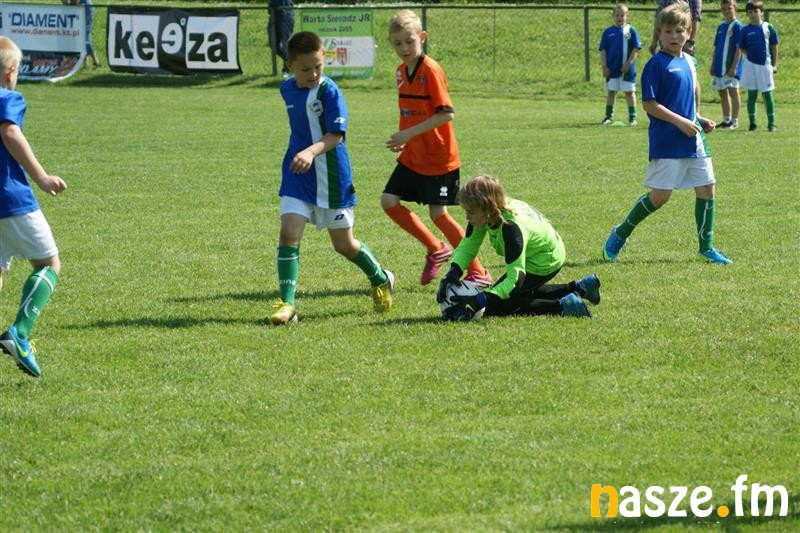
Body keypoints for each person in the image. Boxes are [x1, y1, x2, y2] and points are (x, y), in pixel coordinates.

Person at [271, 31, 394, 325]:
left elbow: (336, 135)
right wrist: (303, 154)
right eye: (305, 69)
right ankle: (287, 305)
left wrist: (310, 152)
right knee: (288, 234)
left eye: (318, 66)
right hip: (298, 176)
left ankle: (380, 278)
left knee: (344, 245)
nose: (313, 74)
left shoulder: (329, 91)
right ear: (290, 65)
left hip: (332, 177)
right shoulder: (287, 89)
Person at [603, 1, 732, 265]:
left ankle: (706, 248)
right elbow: (650, 104)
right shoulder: (656, 65)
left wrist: (697, 118)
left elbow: (685, 101)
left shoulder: (690, 62)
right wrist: (680, 122)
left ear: (688, 33)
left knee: (707, 189)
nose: (674, 36)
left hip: (694, 139)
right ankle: (621, 232)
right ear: (659, 34)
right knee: (660, 197)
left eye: (679, 31)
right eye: (668, 31)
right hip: (667, 141)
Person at [382, 9, 492, 289]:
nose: (404, 48)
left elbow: (446, 114)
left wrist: (407, 133)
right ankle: (436, 248)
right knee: (389, 201)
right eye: (398, 43)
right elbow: (411, 112)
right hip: (413, 155)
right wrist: (405, 139)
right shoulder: (400, 72)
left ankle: (478, 271)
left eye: (409, 41)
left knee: (438, 214)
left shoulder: (430, 70)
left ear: (422, 37)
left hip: (439, 157)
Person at [435, 175, 598, 320]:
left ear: (486, 208)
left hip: (546, 258)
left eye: (470, 212)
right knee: (510, 294)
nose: (466, 216)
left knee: (496, 305)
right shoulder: (491, 212)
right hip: (541, 251)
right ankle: (581, 287)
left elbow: (515, 279)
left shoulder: (510, 229)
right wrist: (453, 271)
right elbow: (469, 245)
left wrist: (482, 299)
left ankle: (565, 306)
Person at [0, 37, 68, 377]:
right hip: (10, 197)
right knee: (48, 263)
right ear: (11, 72)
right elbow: (10, 132)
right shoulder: (7, 97)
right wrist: (41, 177)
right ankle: (20, 333)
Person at [738, 0, 779, 132]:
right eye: (750, 12)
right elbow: (741, 47)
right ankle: (752, 124)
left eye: (756, 11)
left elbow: (774, 46)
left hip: (765, 65)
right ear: (747, 14)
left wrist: (775, 64)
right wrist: (749, 56)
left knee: (767, 94)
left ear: (761, 12)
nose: (753, 14)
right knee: (752, 94)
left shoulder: (768, 27)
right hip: (750, 66)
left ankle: (771, 124)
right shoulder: (745, 30)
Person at [599, 4, 643, 126]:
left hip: (627, 69)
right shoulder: (607, 32)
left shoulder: (631, 30)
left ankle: (632, 118)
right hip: (611, 69)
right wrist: (604, 66)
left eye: (622, 15)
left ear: (627, 16)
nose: (619, 18)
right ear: (613, 16)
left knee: (629, 92)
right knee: (611, 91)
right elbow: (603, 50)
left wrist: (628, 63)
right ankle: (608, 117)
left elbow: (636, 49)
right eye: (617, 15)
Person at [710, 0, 743, 129]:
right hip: (719, 66)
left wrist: (734, 66)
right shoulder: (721, 27)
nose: (727, 11)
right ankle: (726, 120)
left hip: (730, 66)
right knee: (722, 92)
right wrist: (713, 64)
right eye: (724, 9)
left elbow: (739, 48)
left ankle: (735, 121)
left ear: (735, 8)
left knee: (733, 91)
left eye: (729, 8)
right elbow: (716, 47)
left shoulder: (737, 26)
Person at [62, 0, 101, 69]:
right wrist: (67, 4)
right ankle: (85, 64)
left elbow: (75, 1)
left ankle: (96, 62)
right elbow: (66, 2)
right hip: (79, 6)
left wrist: (68, 4)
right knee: (81, 35)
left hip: (84, 6)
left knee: (84, 36)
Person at [268, 0, 295, 76]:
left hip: (285, 11)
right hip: (273, 12)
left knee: (286, 43)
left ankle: (286, 69)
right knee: (272, 44)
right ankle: (291, 61)